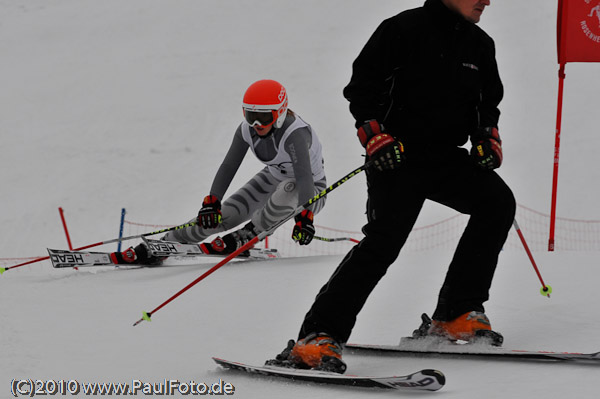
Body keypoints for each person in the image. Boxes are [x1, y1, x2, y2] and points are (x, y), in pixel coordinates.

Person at [270, 0, 516, 374]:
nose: (487, 0)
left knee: (497, 202)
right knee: (385, 241)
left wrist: (486, 137)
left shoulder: (480, 44)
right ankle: (316, 337)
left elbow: (488, 103)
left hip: (447, 156)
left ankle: (455, 313)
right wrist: (374, 136)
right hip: (396, 155)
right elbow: (362, 89)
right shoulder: (402, 29)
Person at [111, 79, 327, 265]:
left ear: (279, 113)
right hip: (272, 177)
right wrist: (212, 202)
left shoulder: (295, 134)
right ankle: (168, 242)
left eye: (263, 117)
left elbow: (304, 177)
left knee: (288, 188)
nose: (256, 124)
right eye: (250, 115)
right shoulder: (246, 130)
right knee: (223, 216)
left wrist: (304, 217)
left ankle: (248, 235)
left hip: (312, 191)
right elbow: (229, 166)